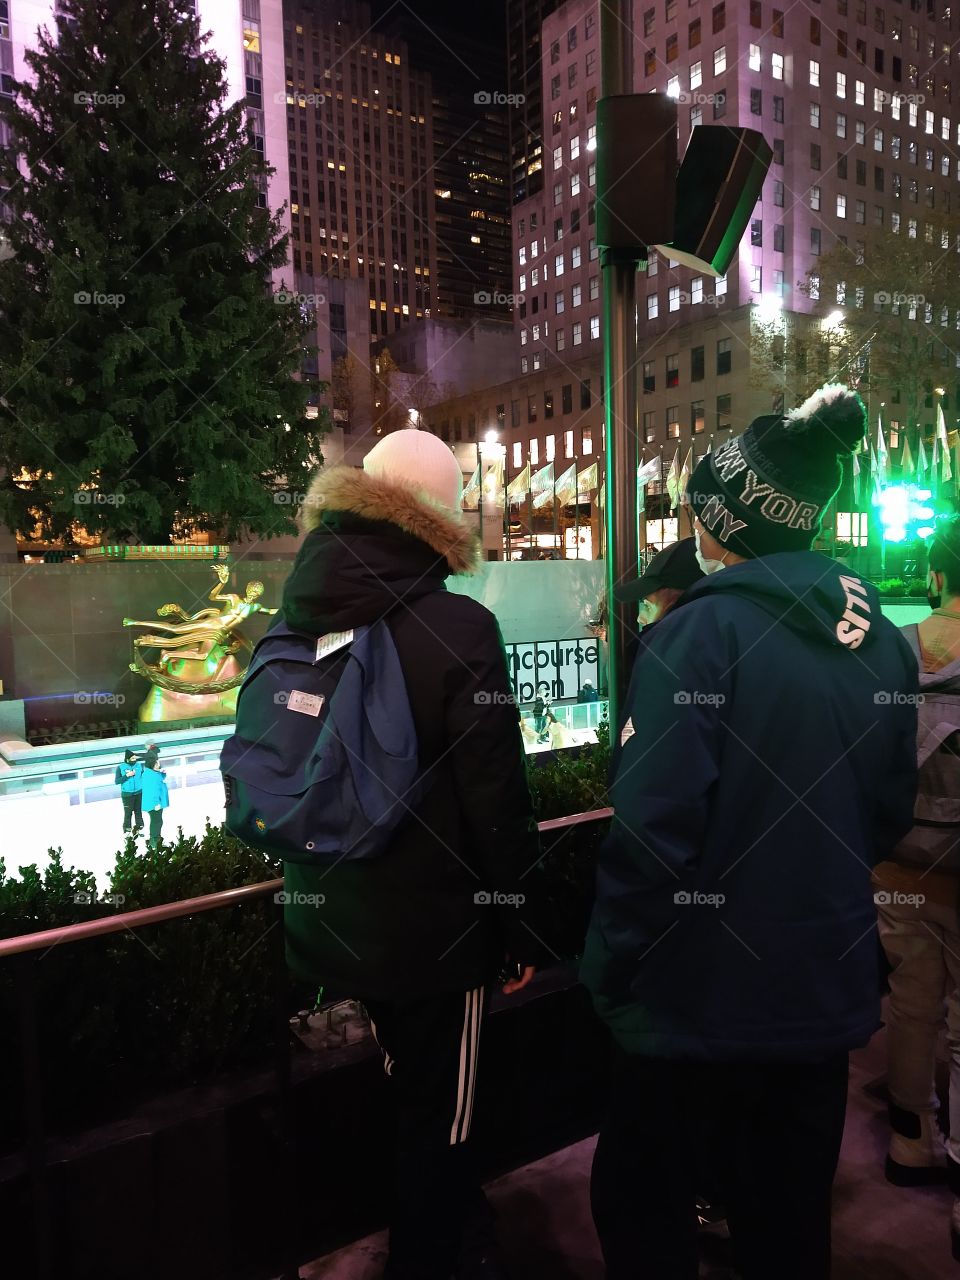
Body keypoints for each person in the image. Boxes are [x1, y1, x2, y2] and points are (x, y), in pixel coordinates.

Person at [582, 383, 919, 1280]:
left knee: (642, 1213)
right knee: (787, 1228)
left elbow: (651, 837)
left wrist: (612, 966)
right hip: (817, 1001)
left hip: (696, 1006)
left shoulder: (697, 639)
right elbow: (888, 814)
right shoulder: (880, 644)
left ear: (719, 518)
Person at [280, 429, 541, 1280]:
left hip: (334, 917)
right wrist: (520, 928)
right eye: (459, 494)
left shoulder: (301, 609)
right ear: (433, 512)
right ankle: (435, 1259)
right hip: (435, 936)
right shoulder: (462, 625)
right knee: (447, 1117)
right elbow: (494, 795)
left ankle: (439, 1233)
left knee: (407, 1090)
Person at [873, 515, 960, 1251]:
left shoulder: (899, 650)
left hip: (901, 861)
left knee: (911, 1000)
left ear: (935, 578)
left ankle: (912, 1141)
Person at [139, 754, 169, 850]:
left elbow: (159, 778)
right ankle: (155, 841)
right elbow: (154, 791)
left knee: (156, 821)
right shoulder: (152, 776)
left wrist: (163, 774)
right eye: (156, 764)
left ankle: (155, 840)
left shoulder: (149, 773)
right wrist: (156, 803)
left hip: (152, 803)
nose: (158, 766)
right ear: (151, 765)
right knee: (157, 821)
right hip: (154, 803)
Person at [114, 749, 143, 836]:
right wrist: (127, 775)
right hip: (127, 794)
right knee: (128, 812)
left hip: (139, 792)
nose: (135, 759)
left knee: (138, 811)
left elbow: (143, 776)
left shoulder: (139, 766)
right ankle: (127, 829)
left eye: (135, 758)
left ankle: (139, 827)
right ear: (127, 759)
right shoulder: (120, 767)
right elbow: (117, 781)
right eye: (133, 758)